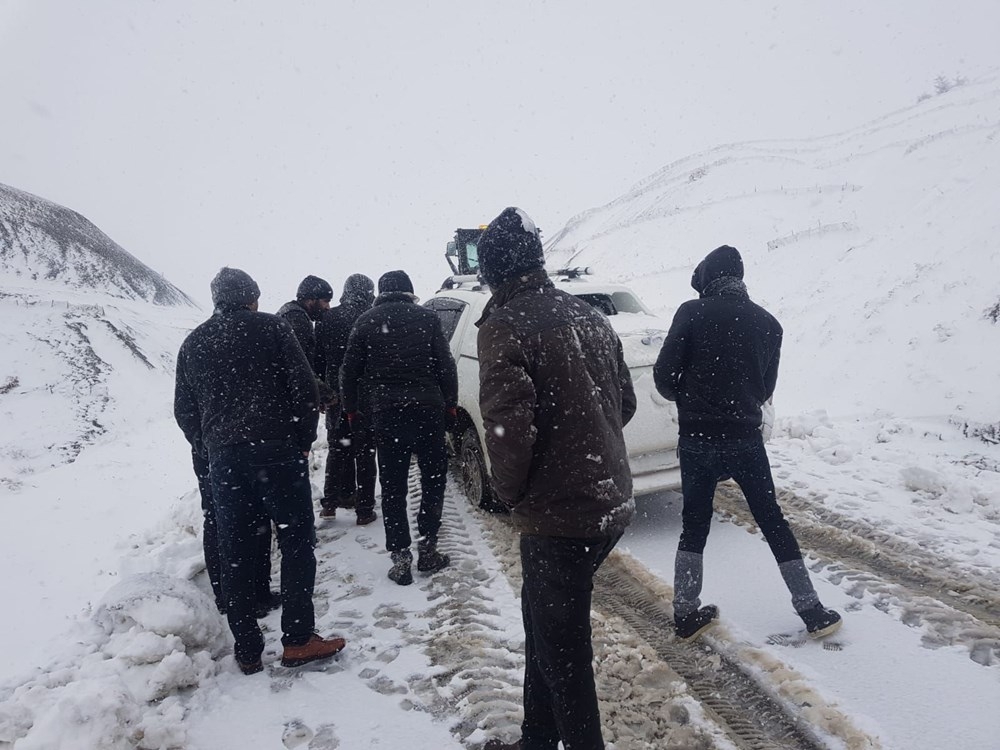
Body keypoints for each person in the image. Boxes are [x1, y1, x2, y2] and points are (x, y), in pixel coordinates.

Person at [476, 207, 636, 750]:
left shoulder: (504, 326)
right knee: (545, 628)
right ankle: (537, 737)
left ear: (493, 272)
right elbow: (625, 403)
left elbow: (507, 432)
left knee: (565, 654)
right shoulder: (589, 315)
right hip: (607, 503)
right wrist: (589, 441)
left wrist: (508, 493)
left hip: (559, 516)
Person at [652, 245, 842, 641]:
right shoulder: (769, 324)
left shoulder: (691, 312)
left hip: (698, 438)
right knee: (773, 520)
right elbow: (765, 388)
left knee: (694, 524)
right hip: (745, 440)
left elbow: (664, 378)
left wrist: (690, 396)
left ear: (708, 278)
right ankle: (812, 610)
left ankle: (686, 612)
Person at [174, 267, 346, 675]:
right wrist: (303, 440)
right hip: (277, 453)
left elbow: (184, 410)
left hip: (226, 462)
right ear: (251, 296)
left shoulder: (194, 342)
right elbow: (304, 388)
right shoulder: (273, 328)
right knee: (296, 543)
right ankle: (299, 639)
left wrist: (210, 445)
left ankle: (248, 648)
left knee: (236, 550)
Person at [340, 270, 457, 585]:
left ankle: (401, 557)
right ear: (409, 291)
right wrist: (450, 404)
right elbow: (445, 364)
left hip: (387, 414)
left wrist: (351, 410)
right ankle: (428, 548)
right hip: (428, 411)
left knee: (393, 487)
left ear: (381, 292)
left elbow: (348, 372)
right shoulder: (428, 319)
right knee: (434, 481)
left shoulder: (365, 321)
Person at [314, 274, 378, 524]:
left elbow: (318, 358)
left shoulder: (328, 318)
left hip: (335, 394)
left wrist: (323, 393)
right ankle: (364, 509)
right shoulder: (371, 317)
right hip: (364, 396)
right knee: (365, 453)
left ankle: (330, 503)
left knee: (337, 450)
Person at [190, 449, 278, 619]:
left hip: (243, 447)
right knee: (218, 518)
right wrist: (205, 445)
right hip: (215, 451)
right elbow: (188, 422)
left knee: (259, 511)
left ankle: (260, 590)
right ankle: (228, 598)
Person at [277, 275, 334, 372]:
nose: (328, 307)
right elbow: (297, 365)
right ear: (310, 300)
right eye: (326, 301)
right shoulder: (297, 320)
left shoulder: (288, 313)